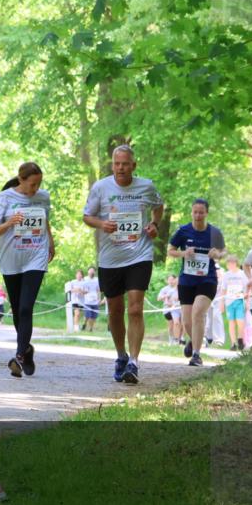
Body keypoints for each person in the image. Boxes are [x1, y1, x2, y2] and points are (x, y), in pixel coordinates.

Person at [83, 144, 164, 383]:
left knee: (136, 308)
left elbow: (158, 207)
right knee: (115, 311)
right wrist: (101, 224)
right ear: (112, 165)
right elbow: (87, 216)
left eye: (125, 164)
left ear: (133, 166)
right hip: (110, 258)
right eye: (117, 164)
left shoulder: (146, 186)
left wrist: (154, 224)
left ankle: (134, 363)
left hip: (139, 255)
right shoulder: (101, 187)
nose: (120, 168)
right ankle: (121, 355)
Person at [0, 162, 55, 377]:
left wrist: (51, 243)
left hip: (36, 255)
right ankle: (26, 349)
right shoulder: (4, 199)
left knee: (26, 307)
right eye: (32, 184)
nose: (35, 189)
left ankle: (18, 356)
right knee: (17, 309)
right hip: (12, 258)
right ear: (21, 179)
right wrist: (9, 222)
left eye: (38, 184)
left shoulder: (43, 197)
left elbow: (46, 222)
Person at [167, 198, 227, 366]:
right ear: (191, 212)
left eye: (201, 212)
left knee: (198, 313)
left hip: (207, 279)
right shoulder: (183, 231)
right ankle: (194, 341)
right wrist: (184, 253)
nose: (198, 215)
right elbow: (170, 251)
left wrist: (217, 254)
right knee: (187, 321)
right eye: (195, 212)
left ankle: (196, 355)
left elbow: (224, 251)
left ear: (206, 213)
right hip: (187, 280)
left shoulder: (214, 232)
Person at [220, 255, 249, 350]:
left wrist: (246, 298)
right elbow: (223, 290)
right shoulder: (226, 275)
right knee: (231, 322)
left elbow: (247, 287)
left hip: (240, 301)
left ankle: (240, 339)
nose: (229, 265)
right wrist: (221, 303)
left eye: (231, 263)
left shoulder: (242, 274)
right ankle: (233, 344)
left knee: (240, 321)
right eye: (228, 263)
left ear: (236, 263)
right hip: (229, 302)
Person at [157, 275, 182, 344]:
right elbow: (158, 298)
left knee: (178, 324)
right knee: (171, 326)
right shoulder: (164, 289)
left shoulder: (179, 288)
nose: (171, 281)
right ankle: (171, 339)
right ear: (167, 281)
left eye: (172, 279)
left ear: (175, 280)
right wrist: (165, 296)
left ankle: (178, 339)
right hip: (167, 310)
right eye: (169, 280)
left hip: (177, 308)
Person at [81, 266, 102, 332]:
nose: (92, 272)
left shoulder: (97, 279)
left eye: (93, 271)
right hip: (87, 301)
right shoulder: (84, 279)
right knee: (88, 316)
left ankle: (90, 328)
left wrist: (99, 299)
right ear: (88, 271)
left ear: (95, 272)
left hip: (95, 301)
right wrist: (84, 292)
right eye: (90, 270)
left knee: (94, 316)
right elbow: (82, 290)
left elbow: (98, 290)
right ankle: (87, 326)